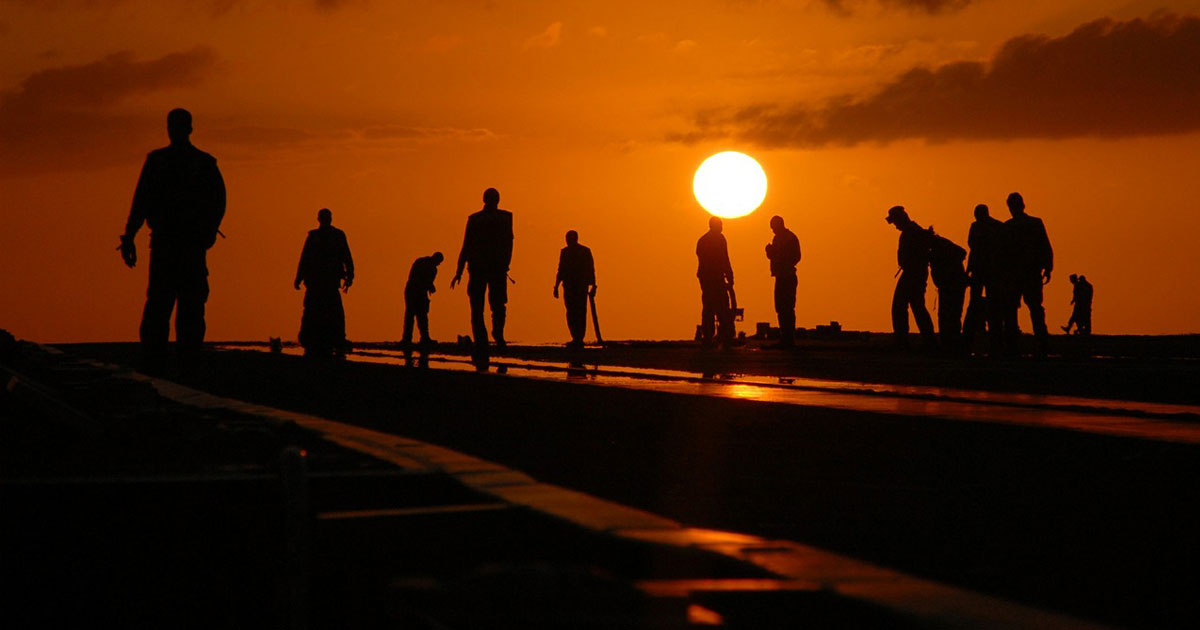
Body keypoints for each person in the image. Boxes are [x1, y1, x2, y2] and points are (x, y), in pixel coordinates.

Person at [118, 108, 226, 374]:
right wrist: (129, 236)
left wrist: (208, 232)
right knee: (162, 305)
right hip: (170, 244)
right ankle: (162, 363)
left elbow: (218, 201)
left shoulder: (200, 163)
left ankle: (183, 363)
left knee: (184, 306)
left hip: (186, 245)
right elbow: (141, 201)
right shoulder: (162, 162)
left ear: (187, 129)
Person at [450, 188, 514, 366]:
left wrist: (460, 270)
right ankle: (494, 337)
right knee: (494, 305)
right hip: (489, 269)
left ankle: (487, 339)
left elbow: (467, 246)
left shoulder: (480, 219)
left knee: (484, 307)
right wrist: (459, 270)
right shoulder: (503, 218)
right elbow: (508, 244)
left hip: (486, 269)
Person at [294, 208, 354, 358]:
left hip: (329, 282)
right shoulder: (314, 237)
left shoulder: (338, 236)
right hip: (316, 283)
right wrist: (299, 277)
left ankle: (336, 339)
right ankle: (311, 339)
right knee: (312, 312)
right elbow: (305, 258)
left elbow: (346, 257)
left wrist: (350, 276)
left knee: (334, 312)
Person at [999, 192, 1053, 358]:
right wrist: (1048, 267)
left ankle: (1014, 347)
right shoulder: (1034, 224)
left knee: (1014, 310)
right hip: (1027, 273)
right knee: (1033, 309)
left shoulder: (1008, 227)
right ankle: (1040, 345)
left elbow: (1002, 253)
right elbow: (1045, 246)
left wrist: (1047, 267)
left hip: (1019, 274)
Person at [885, 206, 936, 349]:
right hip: (916, 273)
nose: (895, 225)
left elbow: (911, 256)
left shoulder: (911, 233)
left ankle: (903, 341)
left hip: (912, 273)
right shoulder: (915, 231)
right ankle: (928, 339)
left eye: (895, 221)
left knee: (900, 306)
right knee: (917, 306)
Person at [961, 204, 1005, 355]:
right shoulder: (996, 227)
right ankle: (990, 343)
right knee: (988, 306)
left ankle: (972, 341)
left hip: (987, 271)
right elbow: (973, 249)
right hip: (986, 271)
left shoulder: (986, 227)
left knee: (982, 305)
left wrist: (970, 269)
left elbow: (974, 249)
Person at [927, 227, 969, 354]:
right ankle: (949, 343)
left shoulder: (942, 245)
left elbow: (962, 253)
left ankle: (952, 344)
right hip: (948, 284)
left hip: (953, 284)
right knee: (948, 314)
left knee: (951, 314)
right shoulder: (935, 248)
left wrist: (948, 271)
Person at [552, 230, 596, 349]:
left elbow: (590, 269)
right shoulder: (565, 252)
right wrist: (556, 286)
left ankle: (579, 338)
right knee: (571, 312)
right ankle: (575, 337)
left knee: (580, 312)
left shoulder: (585, 251)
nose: (568, 241)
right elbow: (560, 270)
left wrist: (593, 285)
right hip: (569, 287)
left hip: (580, 286)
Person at [696, 216, 735, 348]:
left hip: (708, 278)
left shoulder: (703, 240)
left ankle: (710, 337)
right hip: (713, 278)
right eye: (720, 224)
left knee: (710, 307)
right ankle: (721, 337)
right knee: (720, 306)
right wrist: (729, 275)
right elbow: (724, 258)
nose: (722, 227)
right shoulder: (718, 240)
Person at [764, 215, 801, 348]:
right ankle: (785, 338)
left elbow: (795, 256)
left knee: (787, 308)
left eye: (774, 228)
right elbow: (776, 256)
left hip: (787, 276)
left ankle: (788, 339)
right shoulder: (778, 238)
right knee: (781, 307)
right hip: (781, 276)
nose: (773, 230)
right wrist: (771, 253)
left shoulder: (789, 238)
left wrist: (775, 253)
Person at [403, 252, 444, 348]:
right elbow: (419, 278)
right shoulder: (424, 264)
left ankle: (421, 338)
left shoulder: (425, 264)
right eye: (438, 262)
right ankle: (409, 339)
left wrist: (429, 286)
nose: (438, 264)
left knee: (420, 316)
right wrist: (429, 286)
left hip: (418, 292)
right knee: (412, 315)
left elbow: (427, 281)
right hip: (413, 291)